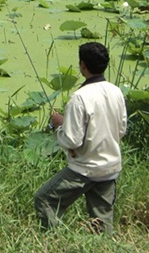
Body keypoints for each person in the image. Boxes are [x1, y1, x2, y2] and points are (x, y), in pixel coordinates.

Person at [34, 42, 127, 233]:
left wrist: (59, 125)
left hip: (84, 169)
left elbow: (72, 140)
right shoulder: (116, 91)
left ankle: (55, 241)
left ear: (82, 65)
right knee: (102, 220)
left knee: (44, 199)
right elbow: (121, 129)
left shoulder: (80, 97)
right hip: (109, 167)